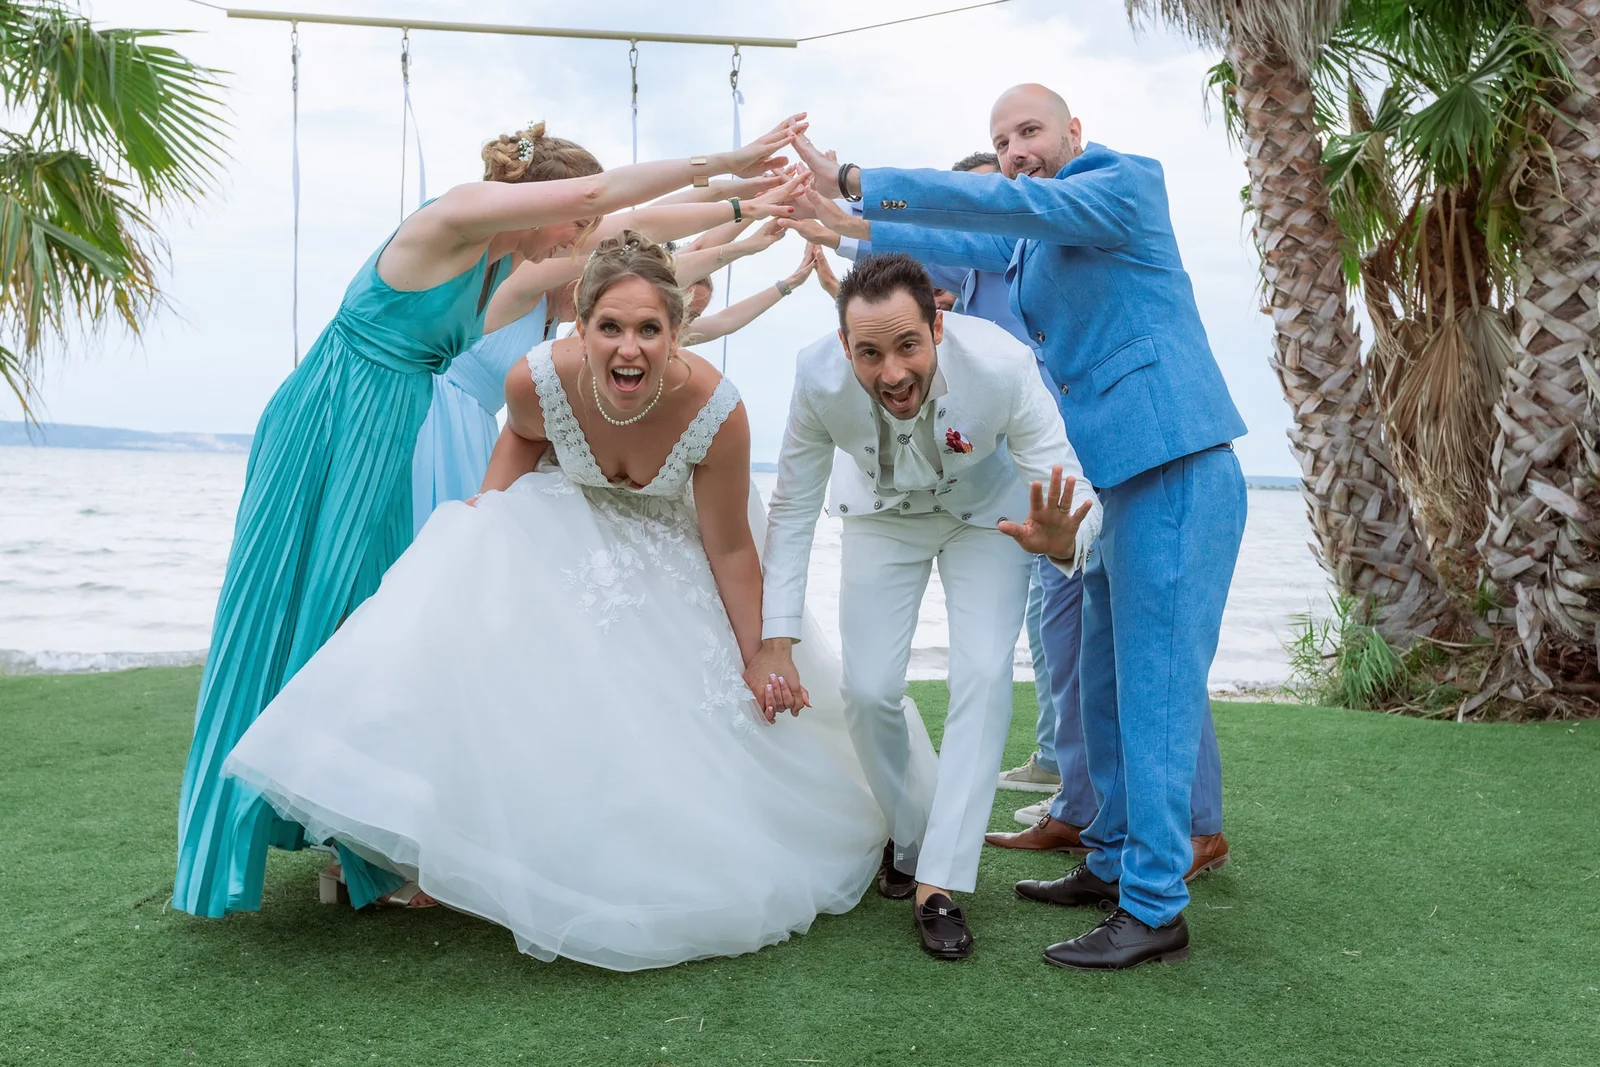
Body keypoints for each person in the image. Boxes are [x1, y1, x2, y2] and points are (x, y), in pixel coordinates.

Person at [174, 115, 806, 919]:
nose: (578, 239)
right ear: (541, 200)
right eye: (573, 227)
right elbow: (603, 198)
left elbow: (632, 233)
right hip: (333, 417)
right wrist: (728, 161)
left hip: (389, 430)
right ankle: (235, 837)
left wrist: (741, 211)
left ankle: (361, 840)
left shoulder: (510, 267)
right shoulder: (456, 217)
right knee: (290, 611)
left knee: (368, 618)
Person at [793, 83, 1247, 970]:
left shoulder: (1123, 183)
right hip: (1105, 483)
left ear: (1075, 132)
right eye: (999, 139)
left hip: (1175, 462)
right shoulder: (1036, 248)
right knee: (1106, 684)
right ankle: (1112, 859)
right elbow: (970, 236)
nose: (1014, 150)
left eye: (1029, 131)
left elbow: (1010, 205)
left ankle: (1155, 906)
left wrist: (857, 176)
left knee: (1154, 693)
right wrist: (846, 221)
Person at [747, 253, 1100, 961]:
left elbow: (1068, 482)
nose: (893, 372)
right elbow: (790, 509)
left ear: (938, 325)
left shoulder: (1000, 365)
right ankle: (908, 838)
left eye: (908, 345)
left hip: (988, 520)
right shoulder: (816, 378)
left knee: (981, 676)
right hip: (881, 515)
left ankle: (938, 882)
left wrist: (1067, 534)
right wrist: (777, 633)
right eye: (869, 353)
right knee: (868, 689)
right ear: (844, 347)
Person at [410, 186, 803, 532]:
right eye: (609, 325)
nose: (627, 342)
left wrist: (779, 277)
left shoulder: (609, 333)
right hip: (443, 415)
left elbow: (712, 306)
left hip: (480, 423)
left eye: (650, 329)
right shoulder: (534, 293)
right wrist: (742, 211)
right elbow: (658, 234)